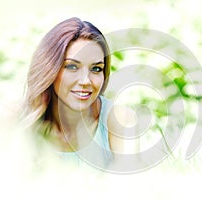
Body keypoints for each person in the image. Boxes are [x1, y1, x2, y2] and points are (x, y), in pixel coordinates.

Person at [21, 17, 137, 167]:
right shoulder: (19, 119)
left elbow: (131, 186)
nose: (85, 81)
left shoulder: (120, 119)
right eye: (72, 67)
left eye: (96, 69)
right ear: (49, 69)